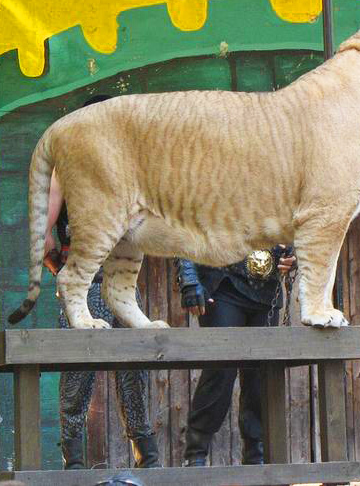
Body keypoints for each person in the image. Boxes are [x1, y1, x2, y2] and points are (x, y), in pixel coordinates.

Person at [43, 95, 160, 469]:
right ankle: (140, 460)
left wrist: (58, 264)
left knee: (102, 372)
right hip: (102, 281)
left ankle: (80, 462)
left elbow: (42, 236)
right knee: (107, 373)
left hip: (101, 278)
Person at [175, 246, 296, 466]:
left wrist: (294, 254)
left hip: (266, 291)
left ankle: (256, 455)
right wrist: (189, 279)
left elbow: (295, 226)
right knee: (220, 370)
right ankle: (196, 454)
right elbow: (185, 226)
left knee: (261, 376)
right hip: (222, 285)